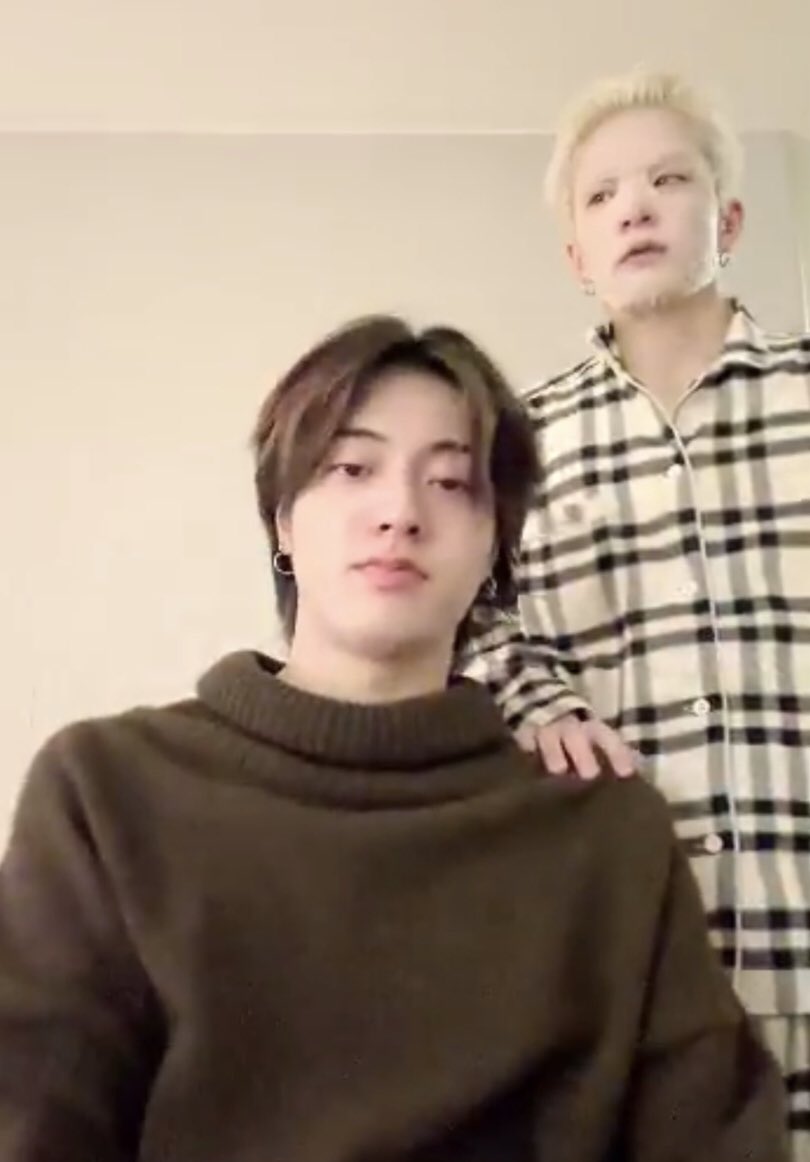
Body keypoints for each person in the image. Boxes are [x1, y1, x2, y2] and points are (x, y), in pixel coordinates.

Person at [0, 315, 786, 1161]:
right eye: (352, 468)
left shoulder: (607, 835)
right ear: (283, 522)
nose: (400, 512)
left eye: (450, 482)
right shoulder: (108, 792)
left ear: (497, 547)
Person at [460, 69, 810, 1156]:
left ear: (729, 221)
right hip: (634, 965)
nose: (636, 208)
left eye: (669, 179)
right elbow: (467, 616)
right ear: (578, 254)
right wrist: (538, 699)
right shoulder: (514, 441)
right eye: (603, 195)